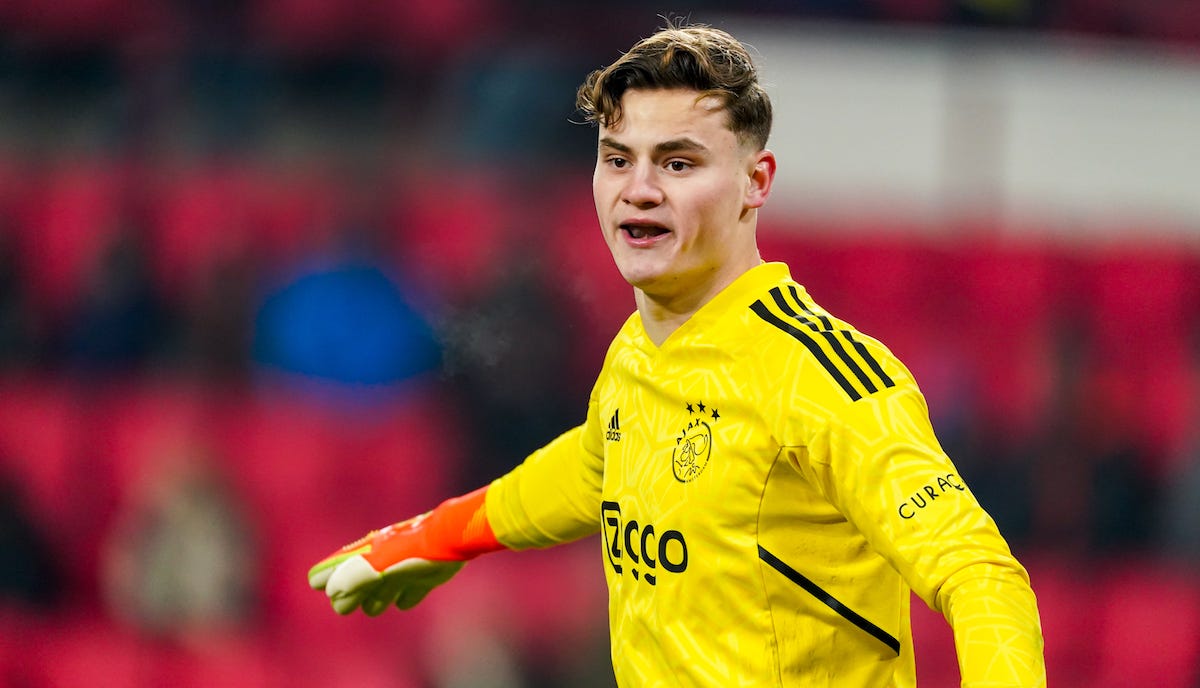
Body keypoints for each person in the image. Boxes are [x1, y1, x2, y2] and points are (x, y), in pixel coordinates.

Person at [309, 22, 1046, 687]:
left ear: (754, 184)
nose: (639, 191)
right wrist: (438, 536)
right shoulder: (635, 353)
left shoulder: (822, 378)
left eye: (678, 163)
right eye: (617, 159)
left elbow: (982, 578)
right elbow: (595, 467)